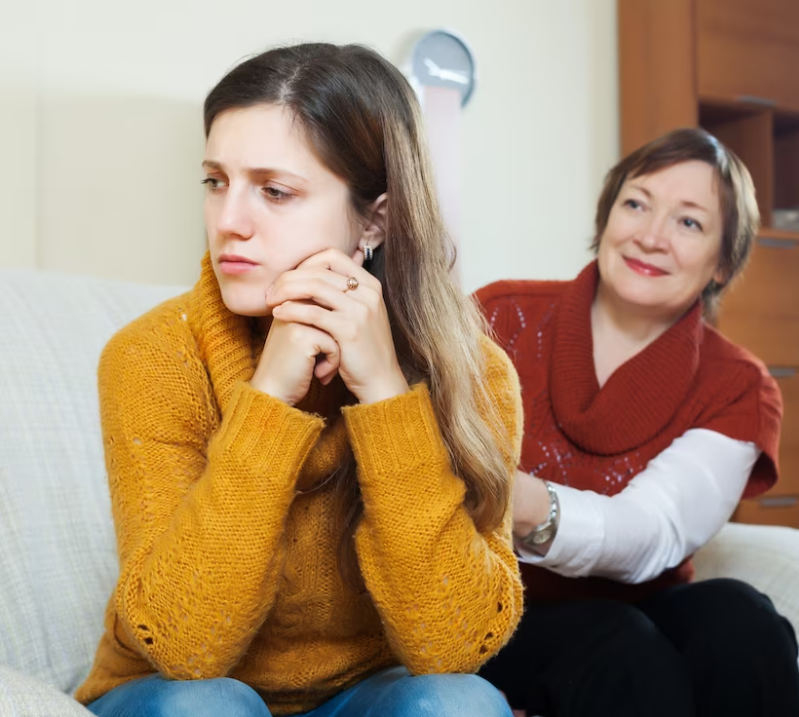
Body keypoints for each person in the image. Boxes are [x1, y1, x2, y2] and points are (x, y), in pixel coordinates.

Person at [74, 43, 525, 717]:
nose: (228, 222)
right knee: (209, 708)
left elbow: (454, 645)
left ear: (374, 218)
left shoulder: (475, 371)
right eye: (215, 181)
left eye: (275, 191)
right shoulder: (152, 355)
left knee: (459, 704)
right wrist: (268, 399)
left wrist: (386, 397)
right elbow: (182, 643)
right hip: (172, 694)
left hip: (361, 698)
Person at [475, 127, 799, 717]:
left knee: (745, 620)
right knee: (617, 642)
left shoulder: (739, 387)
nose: (651, 237)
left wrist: (517, 499)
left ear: (723, 264)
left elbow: (650, 534)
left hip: (637, 607)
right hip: (487, 606)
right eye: (636, 204)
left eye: (689, 223)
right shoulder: (499, 314)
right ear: (606, 217)